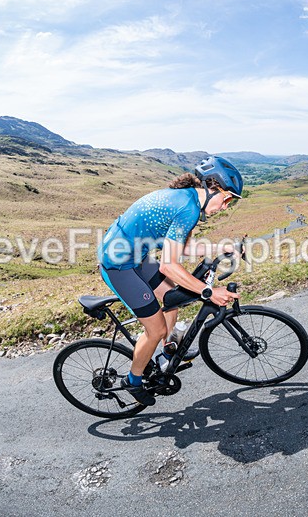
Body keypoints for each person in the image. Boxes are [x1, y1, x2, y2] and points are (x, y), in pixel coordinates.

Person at [99, 156, 244, 406]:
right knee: (155, 329)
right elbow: (169, 264)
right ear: (214, 188)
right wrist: (208, 292)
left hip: (137, 257)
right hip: (118, 267)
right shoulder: (187, 209)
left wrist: (222, 246)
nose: (225, 207)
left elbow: (182, 248)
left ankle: (168, 356)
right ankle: (132, 381)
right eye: (227, 198)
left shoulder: (187, 199)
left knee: (171, 301)